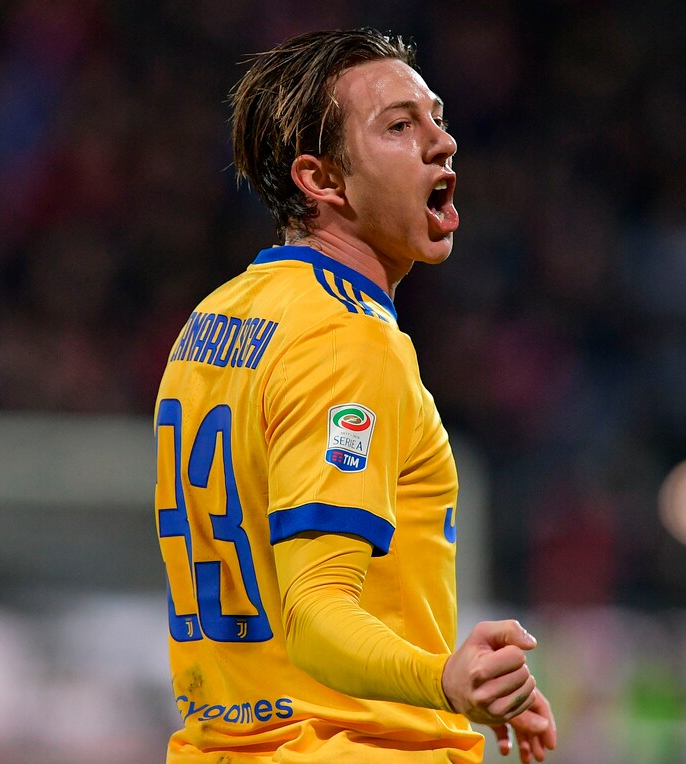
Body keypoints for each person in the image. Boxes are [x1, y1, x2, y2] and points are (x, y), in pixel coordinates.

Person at [152, 28, 556, 763]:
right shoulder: (348, 340)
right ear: (322, 180)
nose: (442, 142)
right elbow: (316, 615)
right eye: (399, 126)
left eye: (436, 118)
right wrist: (442, 679)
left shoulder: (213, 320)